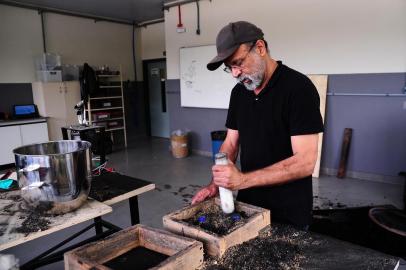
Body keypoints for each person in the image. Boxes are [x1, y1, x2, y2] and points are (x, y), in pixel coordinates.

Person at [191, 21, 324, 229]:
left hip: (289, 212)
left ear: (260, 48)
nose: (235, 73)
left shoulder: (298, 89)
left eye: (239, 62)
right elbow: (231, 143)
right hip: (249, 207)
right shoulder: (238, 94)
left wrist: (241, 180)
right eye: (230, 68)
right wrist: (215, 184)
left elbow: (305, 162)